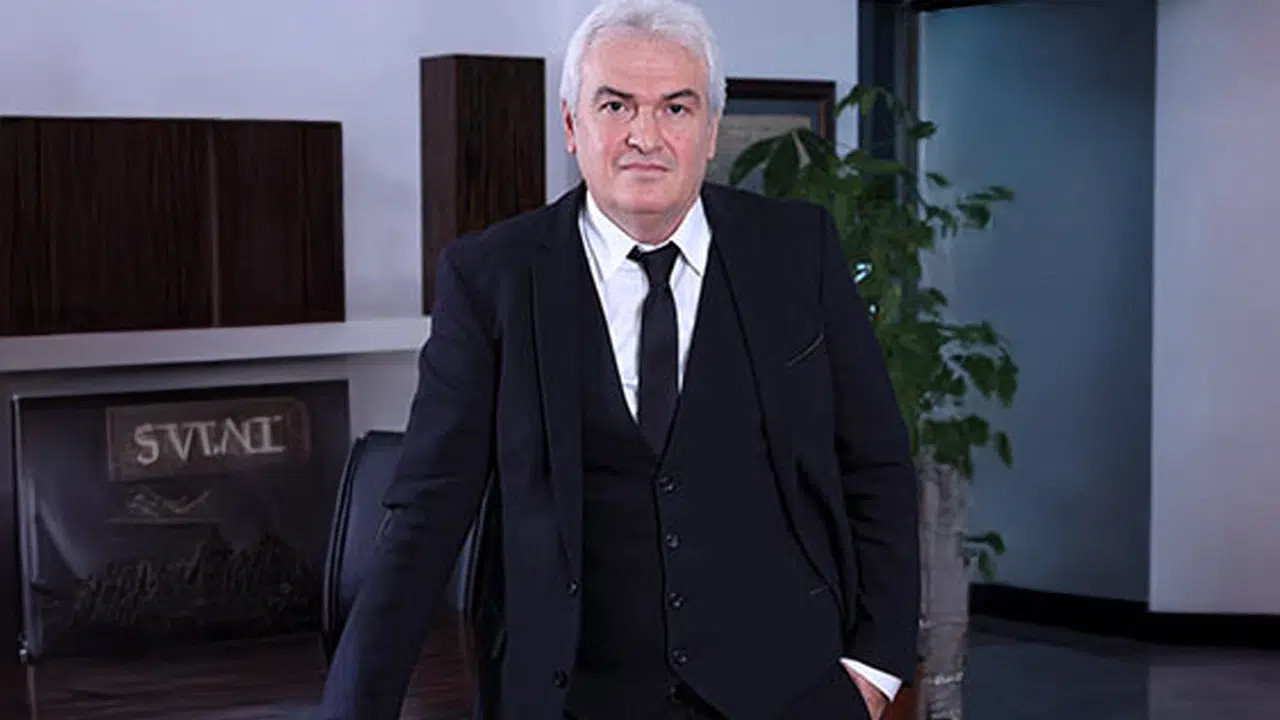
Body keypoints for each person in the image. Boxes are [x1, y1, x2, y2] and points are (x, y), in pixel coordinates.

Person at [319, 0, 919, 718]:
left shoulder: (798, 251)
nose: (645, 136)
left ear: (710, 130)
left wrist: (877, 667)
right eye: (616, 106)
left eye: (675, 108)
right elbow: (426, 512)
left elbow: (876, 463)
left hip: (792, 692)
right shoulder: (491, 278)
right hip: (573, 698)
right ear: (572, 125)